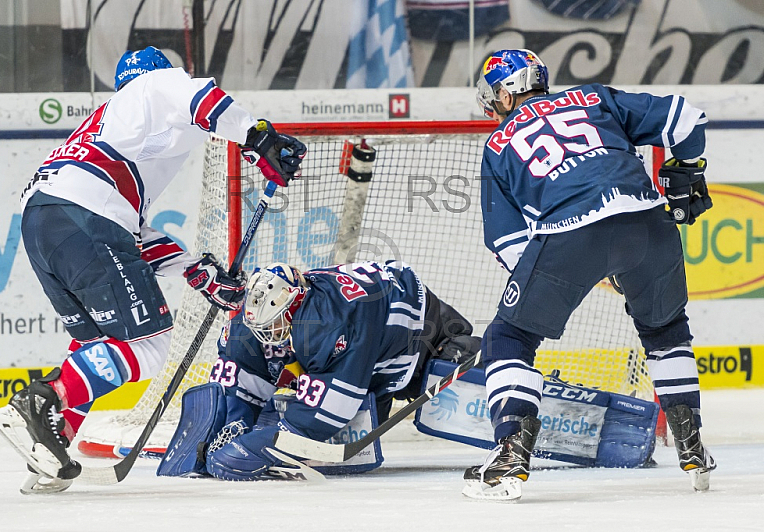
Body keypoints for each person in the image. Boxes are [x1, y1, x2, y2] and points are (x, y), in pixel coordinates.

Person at [0, 46, 306, 494]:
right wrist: (259, 138)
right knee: (150, 345)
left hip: (43, 219)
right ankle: (44, 401)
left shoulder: (113, 128)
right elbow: (202, 98)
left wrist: (197, 272)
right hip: (84, 214)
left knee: (95, 342)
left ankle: (51, 446)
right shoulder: (156, 84)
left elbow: (130, 233)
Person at [466, 49, 715, 501]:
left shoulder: (498, 143)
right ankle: (692, 445)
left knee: (508, 338)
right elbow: (688, 118)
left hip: (570, 232)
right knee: (665, 330)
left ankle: (510, 456)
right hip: (649, 221)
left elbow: (507, 243)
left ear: (503, 94)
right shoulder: (593, 96)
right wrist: (686, 169)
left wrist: (562, 280)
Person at [158, 261, 481, 480]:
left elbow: (330, 412)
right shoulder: (266, 312)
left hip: (422, 336)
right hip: (370, 339)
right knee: (358, 410)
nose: (268, 335)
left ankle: (509, 385)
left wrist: (270, 443)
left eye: (276, 325)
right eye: (264, 327)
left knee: (454, 369)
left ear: (296, 304)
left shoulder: (328, 325)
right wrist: (233, 422)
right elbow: (241, 366)